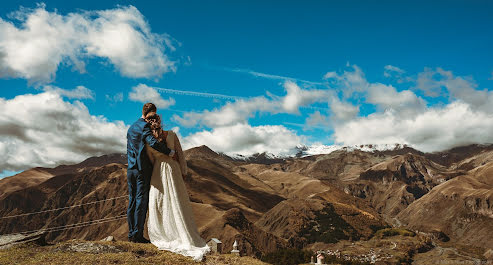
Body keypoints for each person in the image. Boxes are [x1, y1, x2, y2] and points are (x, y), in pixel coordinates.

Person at [144, 112, 210, 261]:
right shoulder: (171, 135)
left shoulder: (148, 141)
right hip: (172, 170)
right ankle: (176, 233)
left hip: (158, 171)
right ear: (160, 121)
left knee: (160, 201)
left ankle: (164, 232)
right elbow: (180, 154)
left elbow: (151, 159)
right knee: (174, 200)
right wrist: (183, 171)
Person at [126, 103, 175, 243]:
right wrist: (169, 152)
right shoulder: (144, 127)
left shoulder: (131, 127)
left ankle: (131, 233)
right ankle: (138, 235)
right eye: (153, 115)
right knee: (141, 202)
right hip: (142, 170)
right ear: (150, 113)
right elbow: (152, 142)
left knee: (132, 201)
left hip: (131, 169)